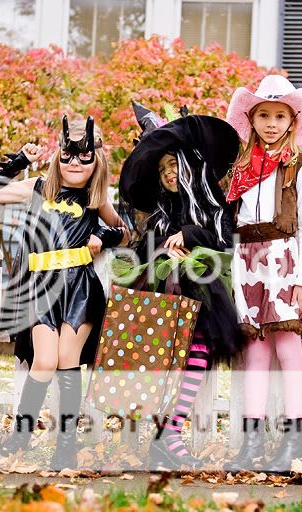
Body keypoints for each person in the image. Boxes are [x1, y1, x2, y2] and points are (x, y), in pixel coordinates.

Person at [0, 116, 128, 471]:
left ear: (97, 161)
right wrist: (18, 161)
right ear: (57, 157)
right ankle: (20, 435)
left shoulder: (96, 199)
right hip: (41, 286)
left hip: (79, 287)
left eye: (84, 156)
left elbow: (125, 231)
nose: (75, 163)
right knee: (45, 361)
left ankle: (66, 447)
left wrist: (105, 238)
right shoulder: (37, 187)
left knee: (67, 361)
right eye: (68, 156)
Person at [117, 102, 244, 469]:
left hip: (201, 293)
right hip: (161, 294)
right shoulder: (158, 210)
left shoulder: (211, 203)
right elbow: (143, 252)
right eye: (162, 169)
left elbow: (224, 240)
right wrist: (159, 247)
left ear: (189, 164)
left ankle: (170, 432)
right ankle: (160, 436)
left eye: (174, 165)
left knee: (198, 353)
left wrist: (188, 233)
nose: (169, 175)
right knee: (161, 363)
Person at [223, 75, 302, 474]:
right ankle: (251, 443)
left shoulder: (301, 165)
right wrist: (233, 275)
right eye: (264, 114)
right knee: (255, 352)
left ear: (293, 121)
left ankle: (291, 443)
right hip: (247, 261)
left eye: (280, 115)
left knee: (287, 348)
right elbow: (233, 224)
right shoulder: (241, 167)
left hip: (284, 260)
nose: (272, 123)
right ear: (252, 118)